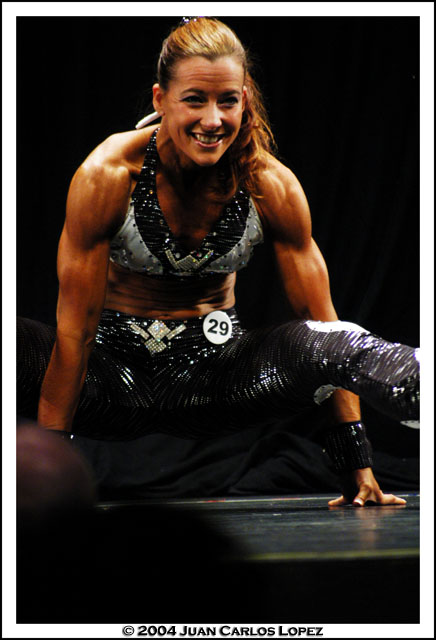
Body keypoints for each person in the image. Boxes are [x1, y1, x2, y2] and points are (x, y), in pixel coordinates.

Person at [17, 17, 419, 508]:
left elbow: (321, 322)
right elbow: (76, 332)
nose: (212, 120)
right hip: (110, 382)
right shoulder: (108, 175)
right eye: (194, 100)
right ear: (160, 98)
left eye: (227, 100)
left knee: (335, 339)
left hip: (216, 383)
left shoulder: (270, 184)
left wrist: (356, 465)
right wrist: (51, 476)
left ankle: (420, 383)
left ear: (244, 100)